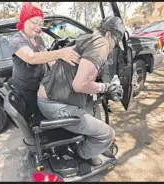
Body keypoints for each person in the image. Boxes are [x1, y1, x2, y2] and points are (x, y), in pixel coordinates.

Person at [37, 16, 126, 166]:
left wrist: (101, 86)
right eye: (115, 44)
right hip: (55, 105)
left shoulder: (86, 38)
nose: (113, 48)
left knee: (93, 106)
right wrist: (105, 87)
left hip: (49, 98)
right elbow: (79, 85)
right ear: (109, 35)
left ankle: (91, 145)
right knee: (107, 134)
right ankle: (82, 154)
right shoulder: (101, 44)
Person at [9, 2, 80, 120]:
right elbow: (31, 58)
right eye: (35, 22)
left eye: (40, 23)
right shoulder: (16, 40)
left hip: (40, 84)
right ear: (24, 20)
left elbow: (46, 58)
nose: (38, 27)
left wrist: (62, 68)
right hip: (26, 91)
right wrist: (61, 53)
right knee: (37, 119)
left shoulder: (39, 39)